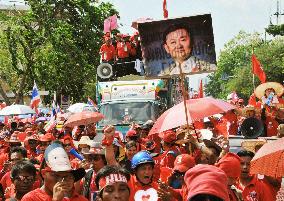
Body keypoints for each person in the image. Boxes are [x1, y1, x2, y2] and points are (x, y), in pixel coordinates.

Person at [21, 142, 87, 201]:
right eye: (56, 175)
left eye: (65, 176)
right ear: (44, 173)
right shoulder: (30, 198)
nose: (61, 181)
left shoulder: (66, 199)